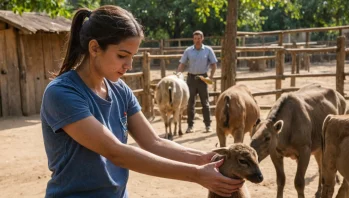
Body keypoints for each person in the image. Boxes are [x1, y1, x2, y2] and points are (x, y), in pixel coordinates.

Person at [40, 5, 243, 198]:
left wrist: (203, 158)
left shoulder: (120, 90)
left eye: (132, 57)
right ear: (94, 48)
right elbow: (116, 152)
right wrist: (196, 174)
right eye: (122, 56)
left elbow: (153, 142)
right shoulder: (62, 93)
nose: (128, 65)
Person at [177, 30, 218, 133]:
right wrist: (178, 74)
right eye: (195, 38)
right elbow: (182, 64)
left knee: (205, 103)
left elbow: (214, 65)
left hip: (203, 79)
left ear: (202, 38)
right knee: (190, 103)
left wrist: (211, 77)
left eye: (199, 38)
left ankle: (208, 125)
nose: (197, 40)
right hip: (191, 79)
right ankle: (190, 126)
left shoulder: (208, 50)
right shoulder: (188, 51)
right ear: (193, 39)